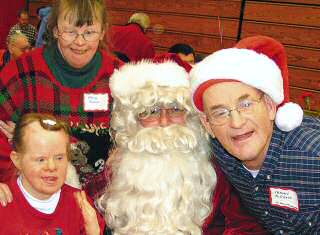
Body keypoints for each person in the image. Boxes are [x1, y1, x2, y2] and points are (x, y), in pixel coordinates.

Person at [97, 57, 268, 234]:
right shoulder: (113, 174)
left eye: (176, 109)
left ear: (193, 117)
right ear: (132, 120)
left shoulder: (220, 172)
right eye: (151, 111)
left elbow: (246, 226)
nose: (164, 122)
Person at [190, 35, 320, 234]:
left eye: (246, 104)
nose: (237, 123)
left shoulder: (312, 157)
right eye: (220, 113)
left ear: (270, 106)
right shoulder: (222, 152)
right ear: (207, 125)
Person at [0, 0, 121, 199]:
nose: (80, 42)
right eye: (70, 32)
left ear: (102, 32)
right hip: (35, 197)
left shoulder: (120, 78)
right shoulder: (22, 73)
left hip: (104, 201)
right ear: (55, 30)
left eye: (89, 32)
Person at [0, 113, 104, 234]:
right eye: (41, 159)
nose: (51, 167)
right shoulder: (4, 202)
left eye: (59, 158)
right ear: (17, 160)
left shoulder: (81, 206)